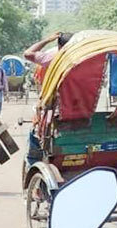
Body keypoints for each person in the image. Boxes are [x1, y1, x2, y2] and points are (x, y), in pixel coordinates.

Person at [23, 32, 72, 166]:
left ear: (59, 44)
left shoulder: (52, 56)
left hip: (55, 110)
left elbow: (27, 53)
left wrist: (47, 40)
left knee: (35, 133)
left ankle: (31, 165)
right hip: (79, 109)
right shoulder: (85, 58)